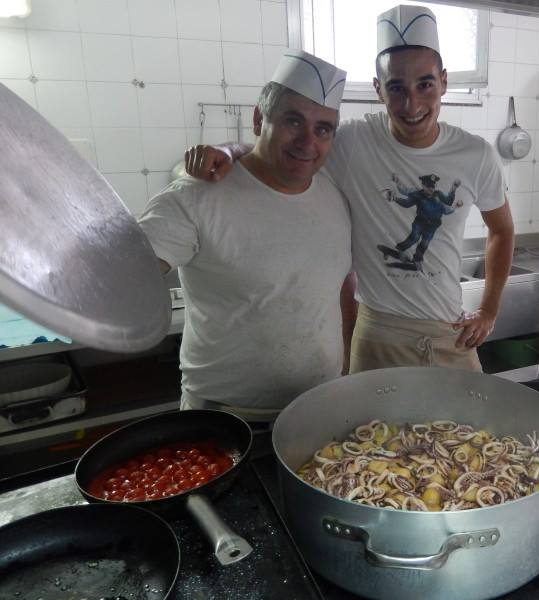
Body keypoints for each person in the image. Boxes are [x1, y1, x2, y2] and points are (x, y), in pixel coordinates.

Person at [184, 5, 514, 374]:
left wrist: (488, 310)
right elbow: (282, 151)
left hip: (451, 333)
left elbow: (502, 230)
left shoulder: (476, 155)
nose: (412, 104)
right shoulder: (354, 142)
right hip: (378, 334)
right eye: (396, 88)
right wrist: (229, 151)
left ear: (444, 82)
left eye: (425, 84)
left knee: (470, 416)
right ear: (378, 89)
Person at [138, 51, 353, 423]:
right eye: (293, 121)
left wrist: (345, 373)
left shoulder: (335, 193)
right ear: (258, 119)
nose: (307, 141)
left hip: (317, 411)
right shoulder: (197, 197)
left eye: (322, 129)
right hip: (223, 420)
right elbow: (125, 271)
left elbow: (343, 286)